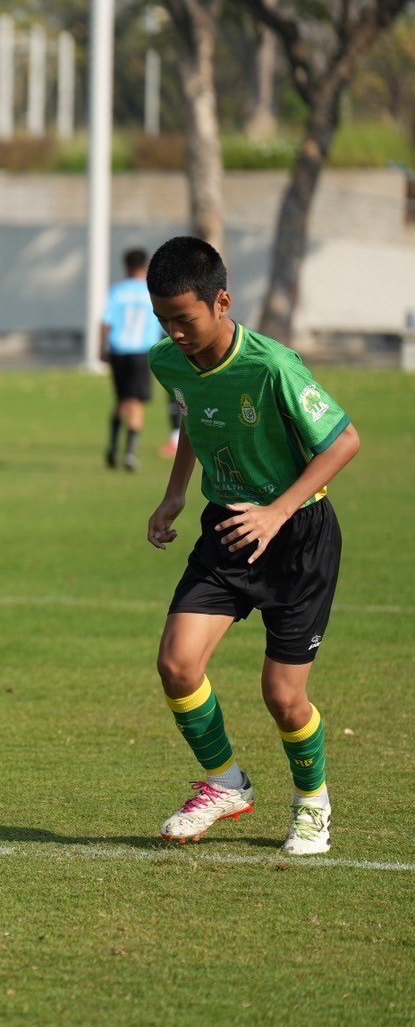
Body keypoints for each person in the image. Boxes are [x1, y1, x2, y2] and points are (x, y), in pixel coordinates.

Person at [144, 236, 360, 856]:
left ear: (222, 302)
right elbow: (195, 414)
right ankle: (226, 784)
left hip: (298, 536)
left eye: (184, 319)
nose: (174, 334)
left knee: (283, 697)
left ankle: (312, 803)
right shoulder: (169, 361)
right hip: (227, 529)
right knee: (177, 665)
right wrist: (174, 494)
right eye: (163, 320)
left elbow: (344, 441)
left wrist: (277, 512)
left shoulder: (273, 367)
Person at [100, 248, 162, 472]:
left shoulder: (117, 291)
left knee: (121, 399)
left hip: (118, 350)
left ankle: (113, 446)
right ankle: (130, 453)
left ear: (125, 267)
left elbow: (106, 322)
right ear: (145, 267)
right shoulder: (151, 292)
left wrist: (102, 349)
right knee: (137, 402)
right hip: (141, 351)